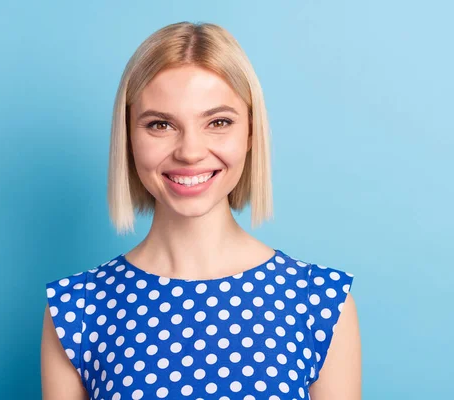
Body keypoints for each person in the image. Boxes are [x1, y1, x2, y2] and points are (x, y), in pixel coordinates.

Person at [41, 21, 361, 400]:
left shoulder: (319, 301)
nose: (190, 151)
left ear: (251, 134)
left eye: (218, 122)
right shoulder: (77, 308)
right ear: (128, 138)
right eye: (160, 125)